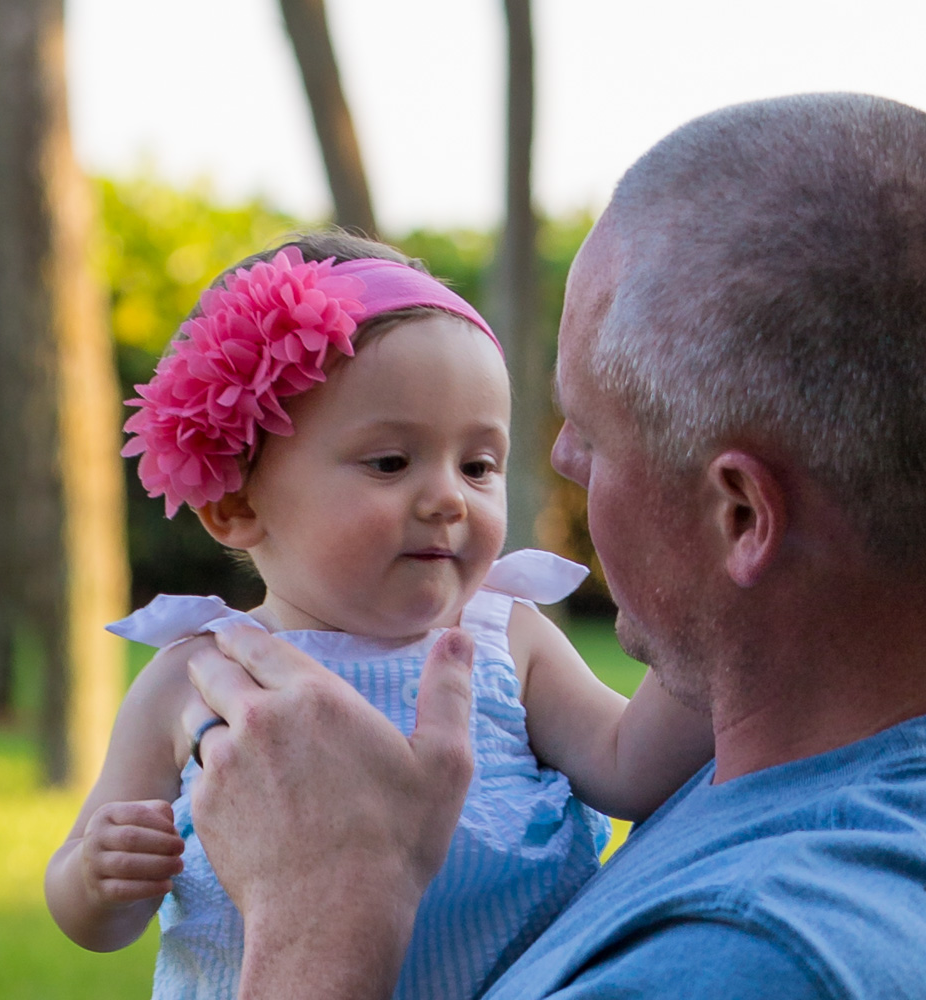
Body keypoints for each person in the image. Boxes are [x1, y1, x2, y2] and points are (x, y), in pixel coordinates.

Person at [182, 93, 926, 999]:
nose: (559, 460)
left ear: (743, 517)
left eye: (592, 430)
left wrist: (325, 920)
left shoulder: (741, 967)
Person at [42, 232, 715, 1000]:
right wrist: (102, 877)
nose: (447, 497)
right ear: (234, 505)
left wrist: (724, 611)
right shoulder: (199, 679)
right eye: (390, 463)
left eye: (478, 464)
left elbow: (633, 767)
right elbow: (91, 918)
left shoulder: (505, 638)